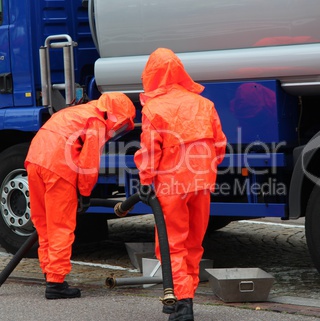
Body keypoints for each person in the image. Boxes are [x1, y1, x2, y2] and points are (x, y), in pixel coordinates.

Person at [134, 48, 227, 321]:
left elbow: (150, 151)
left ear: (151, 75)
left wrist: (146, 181)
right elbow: (219, 146)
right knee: (194, 243)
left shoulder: (154, 108)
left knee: (171, 244)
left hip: (171, 185)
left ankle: (181, 300)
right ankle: (181, 296)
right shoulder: (204, 104)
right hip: (202, 181)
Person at [25, 92, 136, 299]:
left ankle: (49, 273)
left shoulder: (77, 112)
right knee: (60, 226)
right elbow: (88, 164)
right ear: (116, 115)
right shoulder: (97, 122)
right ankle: (56, 284)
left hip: (34, 161)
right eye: (122, 124)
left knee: (44, 224)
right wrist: (84, 193)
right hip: (58, 167)